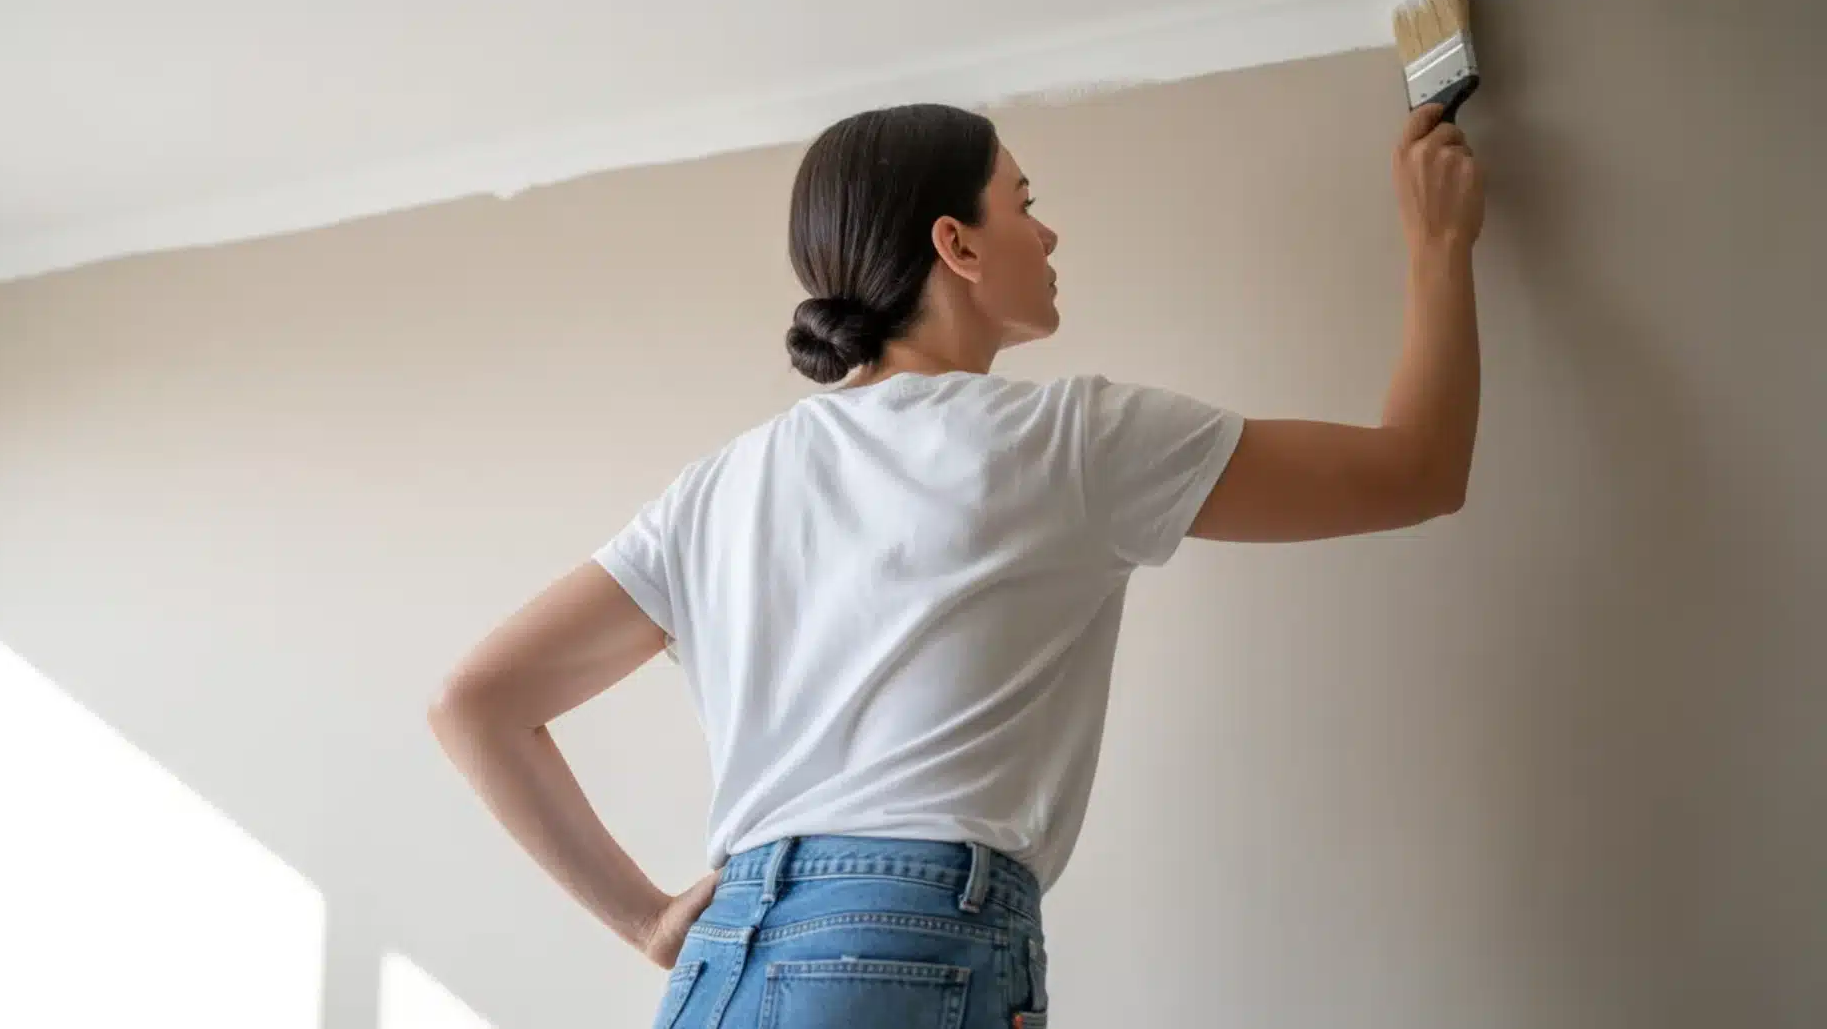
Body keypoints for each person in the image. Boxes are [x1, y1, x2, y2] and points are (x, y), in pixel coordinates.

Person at [428, 98, 1483, 1028]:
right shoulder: (1075, 441)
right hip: (909, 945)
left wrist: (654, 921)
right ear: (959, 245)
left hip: (721, 963)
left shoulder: (719, 486)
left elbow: (475, 703)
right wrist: (1438, 245)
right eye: (1024, 201)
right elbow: (1416, 472)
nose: (1050, 228)